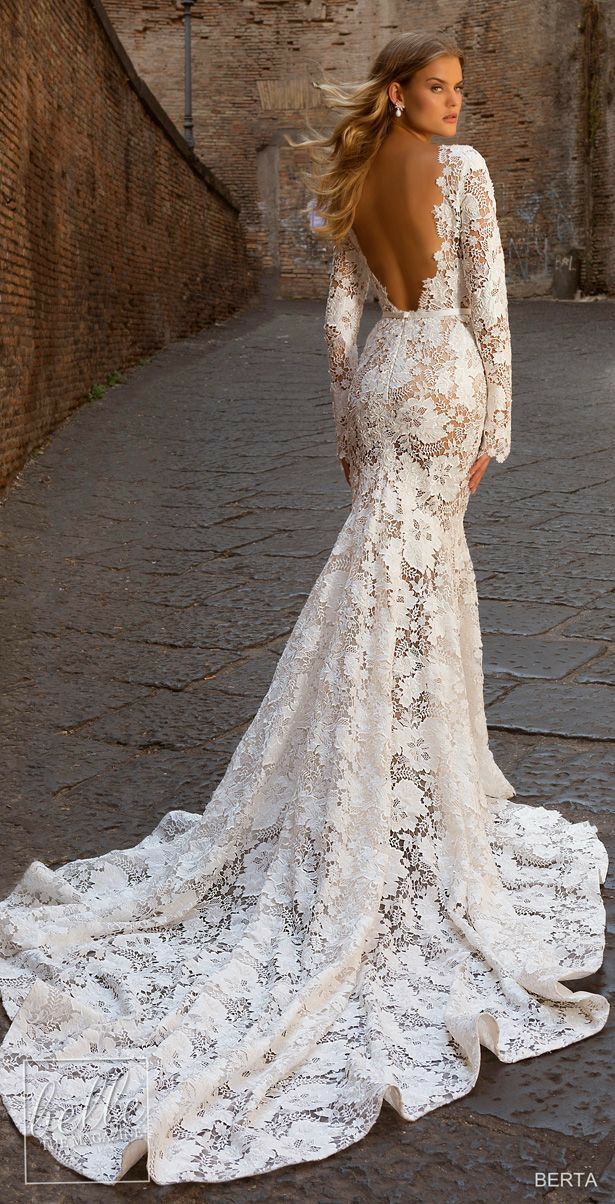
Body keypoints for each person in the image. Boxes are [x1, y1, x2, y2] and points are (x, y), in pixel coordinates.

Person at [0, 31, 608, 1189]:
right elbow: (488, 308)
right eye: (439, 88)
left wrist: (351, 442)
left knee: (375, 571)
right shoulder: (466, 170)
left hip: (385, 383)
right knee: (428, 582)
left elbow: (337, 329)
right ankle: (414, 776)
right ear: (401, 91)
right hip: (442, 382)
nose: (453, 104)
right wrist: (496, 430)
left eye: (460, 92)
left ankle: (377, 764)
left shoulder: (354, 176)